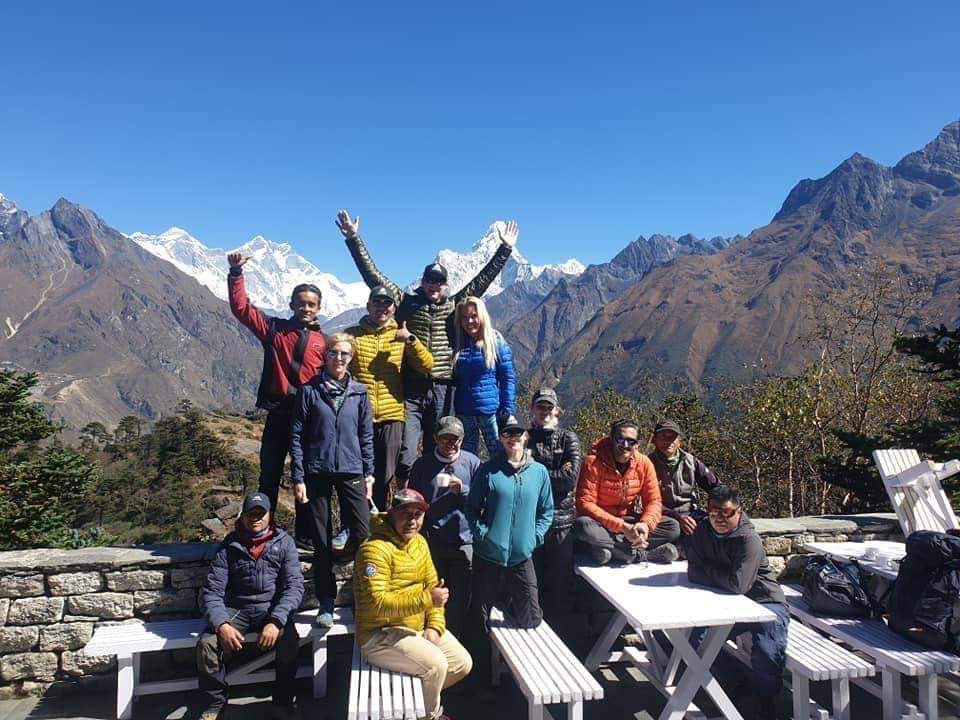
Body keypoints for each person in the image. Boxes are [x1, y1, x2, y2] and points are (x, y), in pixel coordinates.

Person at [337, 210, 517, 481]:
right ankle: (402, 504)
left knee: (439, 451)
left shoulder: (454, 305)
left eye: (439, 281)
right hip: (412, 386)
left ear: (446, 286)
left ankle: (432, 508)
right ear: (422, 281)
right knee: (406, 453)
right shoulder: (407, 302)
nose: (434, 285)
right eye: (430, 280)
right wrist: (353, 238)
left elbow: (482, 280)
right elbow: (374, 277)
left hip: (445, 388)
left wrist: (505, 249)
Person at [227, 252, 326, 544]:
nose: (306, 308)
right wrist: (235, 274)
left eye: (311, 304)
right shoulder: (274, 330)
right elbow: (241, 309)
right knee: (268, 474)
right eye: (301, 303)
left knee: (305, 477)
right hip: (279, 413)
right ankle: (262, 531)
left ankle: (306, 537)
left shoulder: (325, 342)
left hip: (309, 418)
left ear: (319, 308)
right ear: (292, 305)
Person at [354, 488, 473, 720]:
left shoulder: (420, 543)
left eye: (417, 514)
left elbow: (434, 586)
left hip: (417, 628)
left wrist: (434, 626)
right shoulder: (373, 549)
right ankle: (428, 716)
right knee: (436, 666)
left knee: (462, 664)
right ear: (391, 514)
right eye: (405, 513)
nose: (412, 521)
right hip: (379, 634)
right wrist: (427, 599)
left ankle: (408, 707)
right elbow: (378, 603)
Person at [289, 332, 374, 628]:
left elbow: (366, 436)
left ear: (351, 358)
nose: (339, 359)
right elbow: (297, 436)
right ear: (325, 356)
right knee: (321, 540)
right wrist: (298, 476)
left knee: (364, 534)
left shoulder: (360, 393)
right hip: (317, 471)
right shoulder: (308, 391)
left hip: (352, 469)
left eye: (344, 354)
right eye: (334, 353)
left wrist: (369, 473)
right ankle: (327, 600)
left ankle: (367, 593)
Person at [197, 492, 304, 720]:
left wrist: (276, 620)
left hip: (271, 609)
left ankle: (283, 702)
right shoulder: (230, 546)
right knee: (207, 644)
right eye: (251, 514)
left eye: (260, 513)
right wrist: (222, 624)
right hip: (237, 609)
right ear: (243, 516)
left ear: (269, 516)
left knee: (289, 640)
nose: (256, 518)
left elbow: (294, 588)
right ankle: (215, 703)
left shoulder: (284, 543)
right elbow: (211, 591)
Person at [686, 486, 789, 718]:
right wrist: (715, 574)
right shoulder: (702, 532)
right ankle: (734, 681)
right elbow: (693, 571)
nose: (720, 519)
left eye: (727, 513)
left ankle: (767, 699)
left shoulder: (749, 540)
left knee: (766, 650)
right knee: (693, 640)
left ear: (739, 512)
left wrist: (708, 570)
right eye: (714, 513)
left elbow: (738, 585)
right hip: (724, 603)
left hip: (765, 602)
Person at [347, 284, 434, 510]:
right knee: (356, 473)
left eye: (386, 304)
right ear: (368, 306)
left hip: (391, 416)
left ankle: (381, 521)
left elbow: (427, 364)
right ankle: (356, 524)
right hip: (358, 415)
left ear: (393, 308)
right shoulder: (353, 335)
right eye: (377, 303)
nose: (381, 308)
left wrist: (411, 340)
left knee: (385, 476)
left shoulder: (401, 336)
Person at [466, 420, 553, 631]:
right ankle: (480, 660)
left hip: (521, 555)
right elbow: (472, 508)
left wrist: (535, 537)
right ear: (501, 438)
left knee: (531, 619)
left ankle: (510, 607)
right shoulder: (488, 470)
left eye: (517, 434)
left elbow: (546, 511)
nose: (513, 438)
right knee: (479, 619)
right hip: (488, 554)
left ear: (525, 437)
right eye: (508, 434)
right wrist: (483, 534)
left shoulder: (539, 472)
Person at [407, 416, 481, 637]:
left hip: (465, 542)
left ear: (462, 439)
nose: (450, 444)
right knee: (432, 594)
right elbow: (413, 500)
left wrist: (464, 491)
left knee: (461, 600)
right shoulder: (423, 465)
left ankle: (455, 641)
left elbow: (483, 501)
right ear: (434, 439)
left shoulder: (472, 463)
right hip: (432, 543)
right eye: (444, 438)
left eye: (455, 439)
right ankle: (432, 637)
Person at [574, 420, 670, 564]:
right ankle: (639, 554)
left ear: (637, 444)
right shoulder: (593, 462)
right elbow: (585, 504)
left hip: (629, 521)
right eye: (620, 439)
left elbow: (653, 501)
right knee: (583, 526)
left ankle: (609, 549)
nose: (625, 445)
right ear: (611, 439)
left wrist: (644, 525)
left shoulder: (643, 464)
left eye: (631, 441)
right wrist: (621, 527)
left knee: (672, 527)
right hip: (601, 523)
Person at [526, 387, 582, 634]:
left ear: (557, 410)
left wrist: (535, 470)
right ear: (532, 409)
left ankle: (562, 635)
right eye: (540, 406)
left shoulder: (568, 438)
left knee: (561, 584)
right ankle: (535, 633)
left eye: (549, 406)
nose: (545, 411)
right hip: (531, 522)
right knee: (532, 581)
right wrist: (556, 473)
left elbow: (570, 480)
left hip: (561, 522)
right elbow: (521, 476)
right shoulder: (524, 437)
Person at [452, 296, 516, 457]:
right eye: (465, 318)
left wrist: (507, 408)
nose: (470, 321)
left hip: (490, 413)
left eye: (474, 316)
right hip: (464, 412)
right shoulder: (459, 343)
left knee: (500, 455)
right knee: (466, 459)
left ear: (482, 316)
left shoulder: (496, 341)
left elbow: (507, 377)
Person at [647, 418, 720, 559]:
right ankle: (670, 550)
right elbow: (648, 502)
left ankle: (677, 550)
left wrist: (721, 509)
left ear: (679, 440)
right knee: (673, 528)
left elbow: (715, 487)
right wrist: (678, 517)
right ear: (654, 440)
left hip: (689, 513)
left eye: (672, 437)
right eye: (662, 437)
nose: (667, 441)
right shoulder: (647, 464)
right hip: (662, 516)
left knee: (714, 527)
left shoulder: (690, 461)